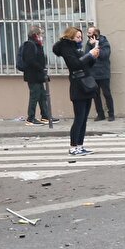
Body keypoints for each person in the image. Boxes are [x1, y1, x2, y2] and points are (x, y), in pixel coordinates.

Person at [52, 25, 100, 156]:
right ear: (71, 37)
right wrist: (89, 55)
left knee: (84, 119)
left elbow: (86, 64)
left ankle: (80, 145)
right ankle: (73, 147)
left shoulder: (77, 49)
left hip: (86, 85)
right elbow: (75, 65)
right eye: (78, 37)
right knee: (79, 118)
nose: (80, 39)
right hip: (78, 86)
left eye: (81, 37)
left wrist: (93, 55)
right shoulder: (67, 48)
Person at [21, 24, 54, 126]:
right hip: (33, 76)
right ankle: (30, 118)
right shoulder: (30, 44)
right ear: (35, 34)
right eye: (41, 34)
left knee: (42, 96)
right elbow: (30, 60)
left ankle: (45, 116)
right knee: (34, 96)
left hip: (38, 75)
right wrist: (41, 68)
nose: (42, 36)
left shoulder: (36, 44)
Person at [83, 25, 114, 121]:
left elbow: (104, 55)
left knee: (107, 94)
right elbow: (87, 55)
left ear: (95, 34)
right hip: (93, 73)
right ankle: (100, 114)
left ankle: (111, 114)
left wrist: (95, 45)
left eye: (90, 33)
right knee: (95, 95)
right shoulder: (88, 43)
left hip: (103, 72)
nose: (88, 35)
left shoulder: (104, 42)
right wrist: (91, 45)